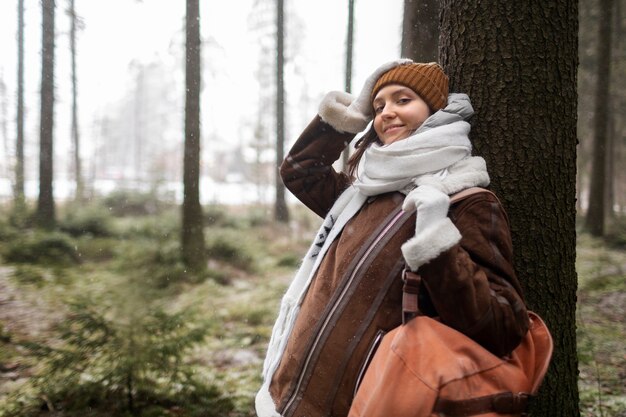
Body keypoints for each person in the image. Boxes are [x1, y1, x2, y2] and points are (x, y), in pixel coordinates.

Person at [256, 59, 530, 417]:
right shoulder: (362, 193)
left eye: (403, 100)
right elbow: (300, 171)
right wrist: (350, 115)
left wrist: (435, 240)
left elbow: (501, 326)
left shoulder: (467, 202)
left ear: (435, 111)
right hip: (293, 396)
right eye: (379, 105)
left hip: (371, 401)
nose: (386, 113)